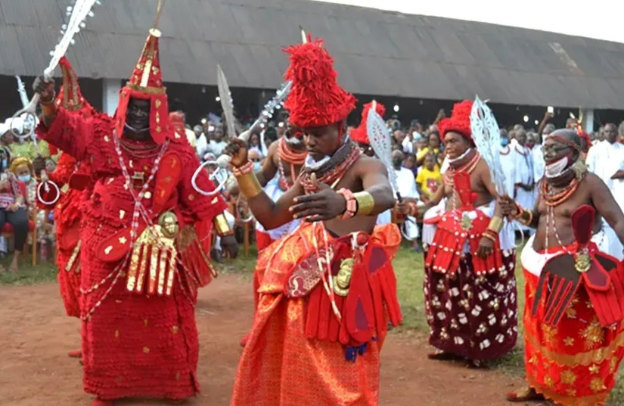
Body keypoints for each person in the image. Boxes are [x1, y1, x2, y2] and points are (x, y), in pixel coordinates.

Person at [33, 27, 238, 406]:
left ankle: (173, 384)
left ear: (159, 110)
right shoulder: (99, 134)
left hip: (158, 253)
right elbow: (64, 131)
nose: (141, 116)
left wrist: (227, 231)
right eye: (135, 108)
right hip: (104, 248)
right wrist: (49, 105)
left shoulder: (177, 149)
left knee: (166, 323)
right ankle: (109, 386)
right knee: (107, 321)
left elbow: (201, 190)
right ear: (125, 104)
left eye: (149, 109)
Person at [227, 36, 400, 406]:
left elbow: (385, 196)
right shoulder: (310, 174)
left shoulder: (365, 166)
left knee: (342, 374)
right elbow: (272, 215)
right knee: (300, 361)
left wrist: (343, 202)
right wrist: (243, 170)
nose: (309, 142)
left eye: (317, 133)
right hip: (304, 285)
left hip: (346, 288)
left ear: (342, 129)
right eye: (304, 134)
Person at [502, 129, 624, 406]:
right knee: (538, 329)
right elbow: (539, 219)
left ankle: (573, 393)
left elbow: (617, 219)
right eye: (545, 148)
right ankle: (538, 384)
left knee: (569, 333)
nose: (547, 154)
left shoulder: (591, 184)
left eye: (555, 149)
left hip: (574, 271)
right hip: (539, 268)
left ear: (575, 152)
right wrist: (517, 212)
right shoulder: (546, 183)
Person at [420, 100, 517, 368]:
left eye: (453, 141)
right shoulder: (449, 168)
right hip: (448, 240)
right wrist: (413, 208)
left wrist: (490, 233)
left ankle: (480, 349)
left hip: (477, 243)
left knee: (477, 295)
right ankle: (452, 343)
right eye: (445, 141)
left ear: (468, 141)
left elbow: (503, 200)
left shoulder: (483, 165)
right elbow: (435, 200)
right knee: (448, 293)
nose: (447, 146)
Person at [32, 57, 95, 359]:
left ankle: (96, 341)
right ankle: (87, 340)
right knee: (73, 277)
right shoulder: (67, 152)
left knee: (89, 276)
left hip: (89, 214)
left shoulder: (93, 140)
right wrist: (41, 173)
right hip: (67, 215)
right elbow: (54, 187)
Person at [512, 128, 535, 231]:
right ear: (516, 138)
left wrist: (533, 181)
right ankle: (517, 229)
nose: (522, 138)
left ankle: (526, 228)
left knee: (527, 207)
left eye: (524, 136)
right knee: (519, 207)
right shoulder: (513, 150)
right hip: (520, 187)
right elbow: (514, 168)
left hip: (529, 186)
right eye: (520, 136)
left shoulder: (528, 150)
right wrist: (520, 184)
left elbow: (531, 166)